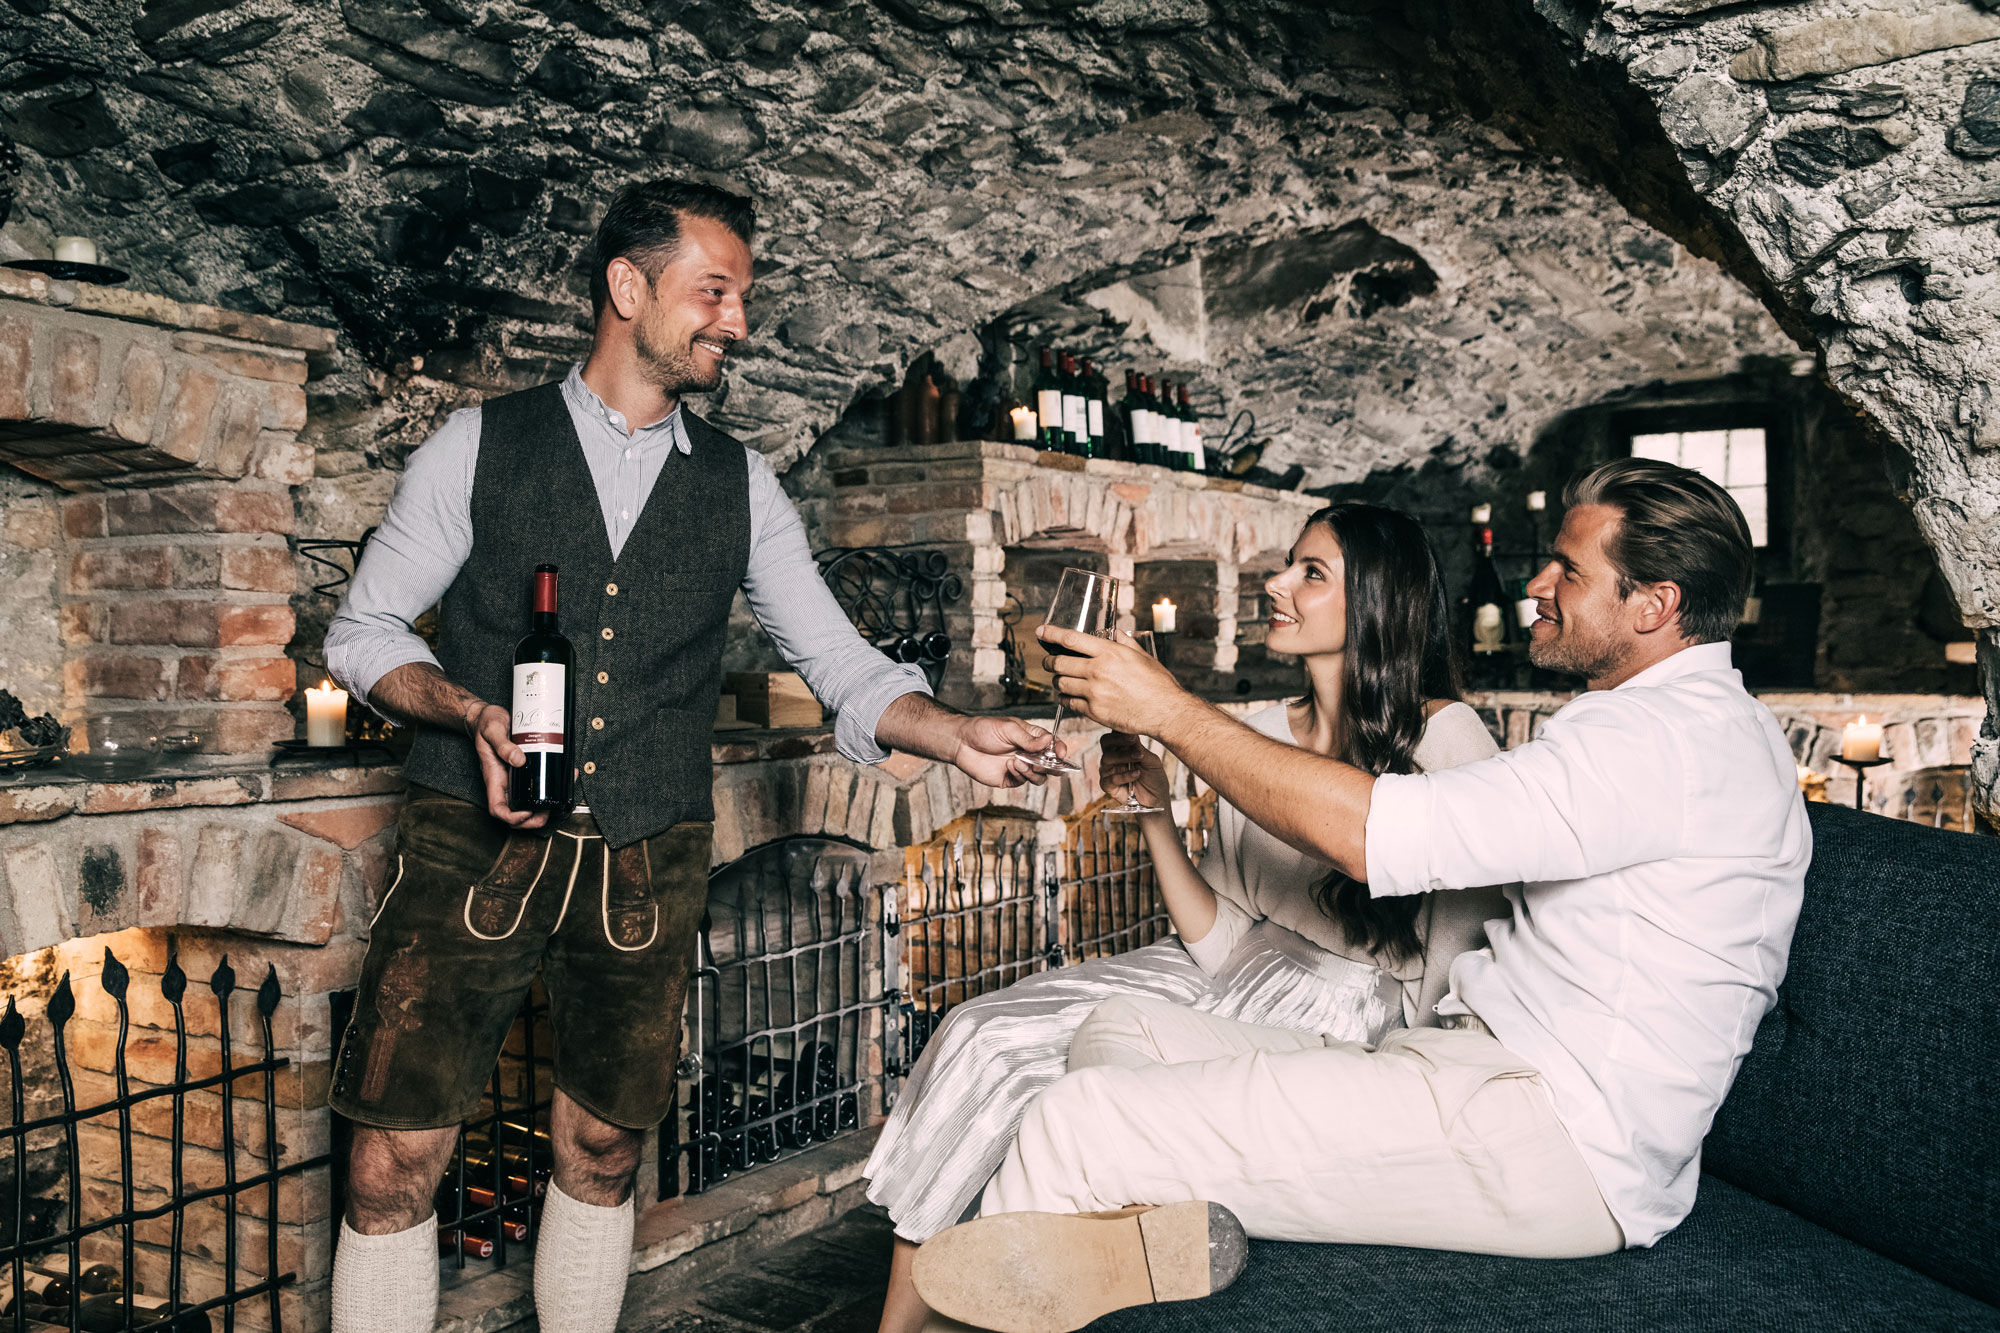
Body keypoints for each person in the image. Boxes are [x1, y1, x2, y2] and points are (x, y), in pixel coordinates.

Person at [320, 178, 1057, 1333]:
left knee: (605, 1146)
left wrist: (953, 731)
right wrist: (468, 712)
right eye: (713, 291)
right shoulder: (478, 446)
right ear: (627, 287)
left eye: (741, 297)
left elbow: (841, 662)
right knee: (391, 1157)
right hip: (469, 839)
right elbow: (362, 634)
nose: (738, 322)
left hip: (648, 849)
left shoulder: (740, 484)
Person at [911, 458, 1811, 1333]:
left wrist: (1171, 712)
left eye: (1569, 570)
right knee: (1119, 1029)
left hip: (1553, 1132)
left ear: (1655, 604)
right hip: (1473, 1069)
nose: (1538, 584)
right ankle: (1162, 1243)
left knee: (1075, 1121)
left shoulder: (1663, 742)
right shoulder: (1671, 725)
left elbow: (1376, 835)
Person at [869, 503, 1509, 1333]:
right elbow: (1217, 931)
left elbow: (1465, 954)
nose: (1276, 583)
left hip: (1345, 1019)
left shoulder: (1446, 738)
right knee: (979, 1032)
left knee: (1046, 1086)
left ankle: (1005, 1305)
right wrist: (1154, 811)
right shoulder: (1260, 734)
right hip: (1227, 971)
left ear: (1379, 602)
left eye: (1312, 573)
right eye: (1288, 563)